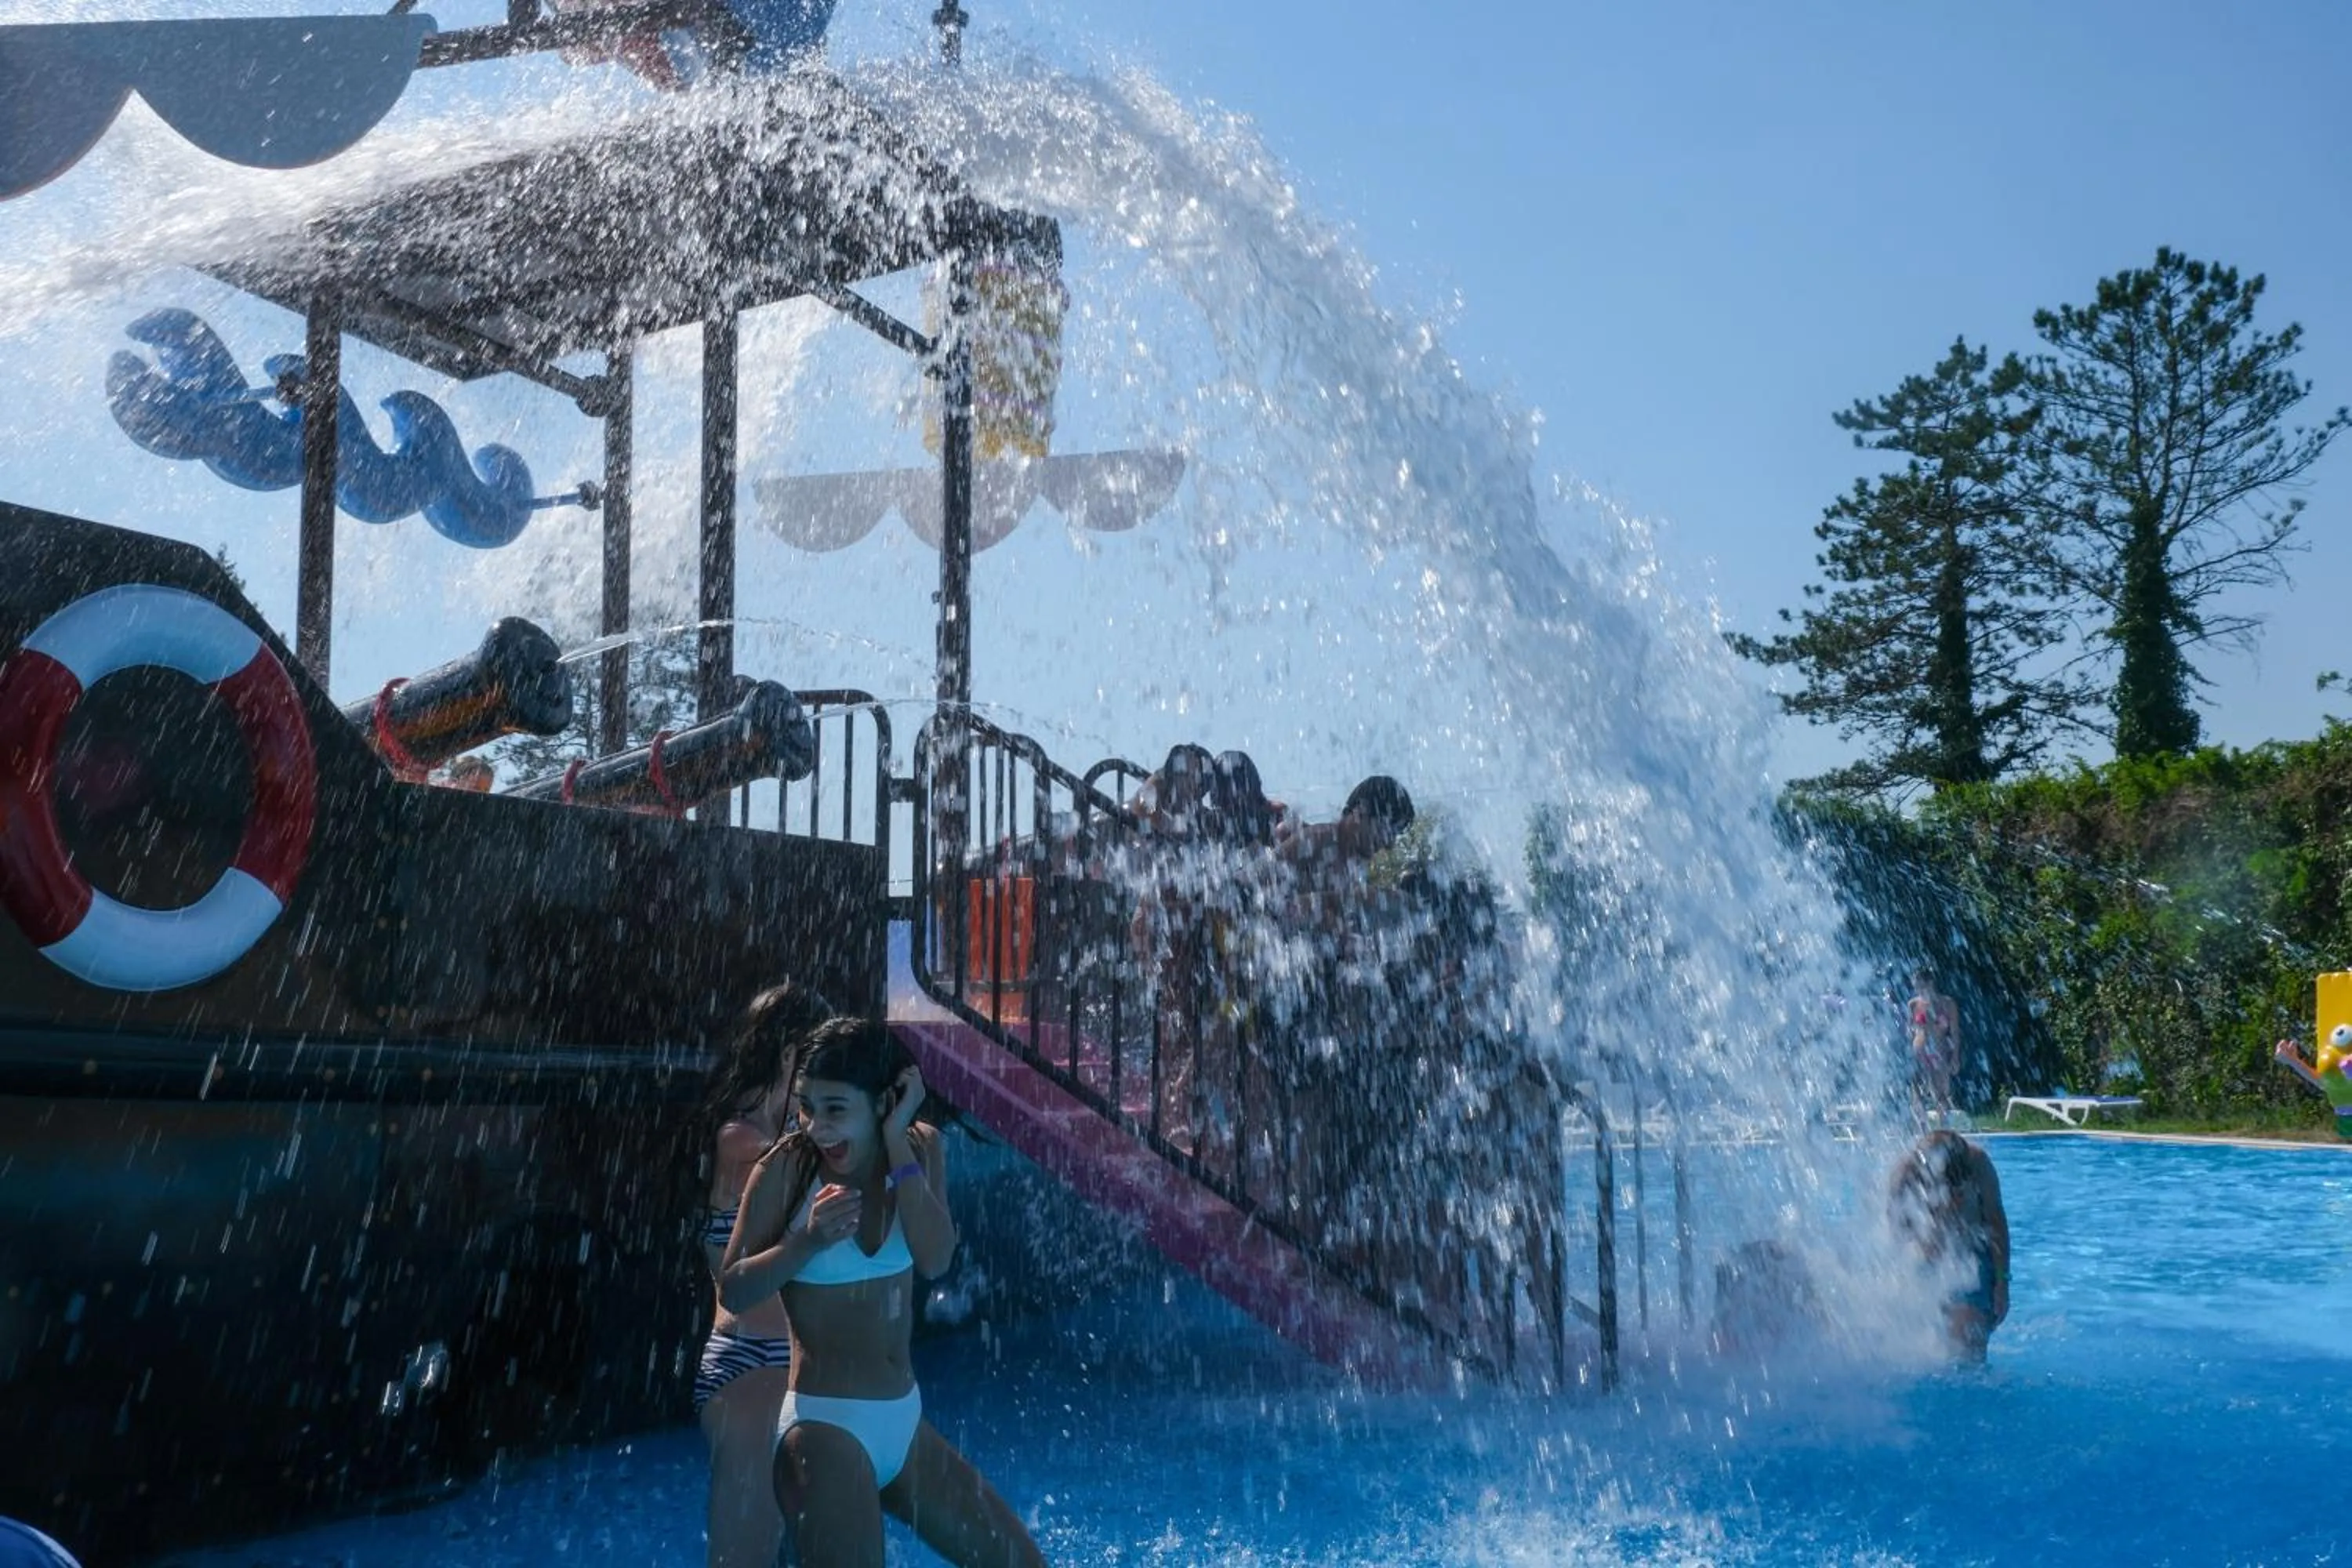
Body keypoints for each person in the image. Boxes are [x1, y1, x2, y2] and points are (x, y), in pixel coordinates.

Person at [720, 1018, 1043, 1568]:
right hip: (823, 1428)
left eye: (836, 1109)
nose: (817, 1127)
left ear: (883, 1104)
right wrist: (805, 1244)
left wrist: (898, 1144)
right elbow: (734, 1289)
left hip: (904, 1426)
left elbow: (936, 1259)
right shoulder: (785, 1171)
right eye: (807, 1107)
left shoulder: (921, 1148)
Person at [695, 983, 833, 1568]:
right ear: (789, 1058)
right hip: (748, 1365)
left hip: (799, 1369)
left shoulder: (791, 1139)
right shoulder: (740, 1142)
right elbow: (806, 1166)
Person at [1887, 1131, 2010, 1361]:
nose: (1957, 1195)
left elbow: (1996, 1223)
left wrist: (2002, 1282)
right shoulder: (1904, 1177)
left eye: (1960, 1187)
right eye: (1948, 1188)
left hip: (1972, 1257)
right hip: (1927, 1258)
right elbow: (1899, 1239)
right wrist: (1939, 1219)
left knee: (1969, 1353)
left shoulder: (1979, 1164)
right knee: (1933, 1351)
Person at [1906, 967, 1960, 1119]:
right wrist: (1912, 1032)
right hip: (1919, 1051)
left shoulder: (1948, 1004)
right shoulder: (1913, 1004)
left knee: (1941, 1093)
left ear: (1931, 983)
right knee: (1917, 1093)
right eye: (1916, 987)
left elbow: (1955, 1032)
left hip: (1939, 1051)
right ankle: (1923, 1131)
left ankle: (1943, 1128)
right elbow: (1909, 1028)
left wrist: (1955, 1056)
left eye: (1921, 986)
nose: (1919, 990)